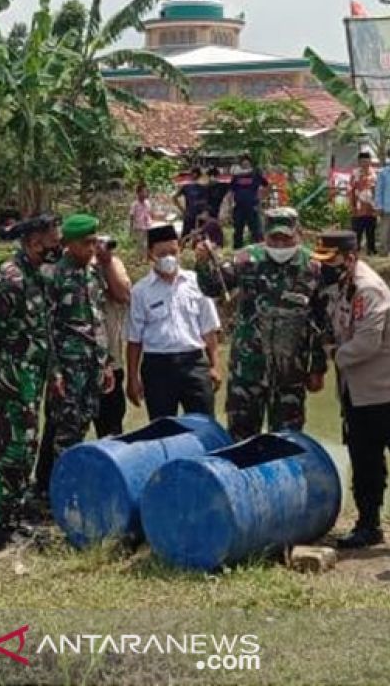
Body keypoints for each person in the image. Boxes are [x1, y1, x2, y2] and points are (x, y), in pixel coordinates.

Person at [0, 214, 60, 552]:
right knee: (1, 453)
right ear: (35, 241)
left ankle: (16, 517)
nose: (58, 246)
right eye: (54, 240)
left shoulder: (37, 276)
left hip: (27, 383)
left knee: (23, 451)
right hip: (4, 385)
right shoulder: (10, 280)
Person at [196, 207, 327, 439]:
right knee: (241, 438)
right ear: (265, 235)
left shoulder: (313, 267)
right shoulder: (246, 260)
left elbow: (319, 321)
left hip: (290, 373)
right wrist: (203, 263)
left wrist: (317, 368)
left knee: (287, 441)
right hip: (248, 370)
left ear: (298, 234)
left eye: (285, 238)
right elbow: (213, 288)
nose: (279, 244)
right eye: (273, 237)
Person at [315, 230, 390, 549]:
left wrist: (332, 353)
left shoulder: (368, 288)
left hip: (382, 390)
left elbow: (367, 343)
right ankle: (368, 524)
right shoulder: (341, 286)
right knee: (364, 459)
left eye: (332, 261)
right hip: (357, 391)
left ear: (351, 256)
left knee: (371, 455)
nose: (327, 267)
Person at [35, 214, 114, 495]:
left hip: (92, 367)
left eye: (94, 242)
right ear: (69, 244)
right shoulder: (53, 275)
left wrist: (107, 364)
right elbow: (46, 328)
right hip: (68, 370)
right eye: (86, 243)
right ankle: (58, 494)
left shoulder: (92, 275)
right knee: (64, 434)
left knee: (82, 427)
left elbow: (98, 320)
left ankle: (71, 488)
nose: (92, 249)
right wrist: (53, 372)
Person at [126, 224, 221, 420]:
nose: (168, 257)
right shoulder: (141, 291)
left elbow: (208, 329)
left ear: (179, 249)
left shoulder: (196, 283)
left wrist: (214, 365)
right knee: (163, 430)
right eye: (162, 253)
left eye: (172, 251)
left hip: (193, 363)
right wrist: (132, 378)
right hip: (158, 367)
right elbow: (134, 340)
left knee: (203, 425)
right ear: (151, 254)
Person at [95, 235, 131, 437]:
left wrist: (106, 264)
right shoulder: (64, 266)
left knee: (112, 430)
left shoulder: (113, 264)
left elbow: (123, 295)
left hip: (110, 361)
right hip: (74, 364)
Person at [229, 155, 269, 249]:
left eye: (247, 162)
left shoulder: (256, 174)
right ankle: (237, 251)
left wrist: (262, 198)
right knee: (238, 231)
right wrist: (230, 205)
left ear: (250, 163)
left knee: (256, 231)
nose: (245, 163)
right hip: (239, 207)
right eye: (243, 162)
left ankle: (260, 250)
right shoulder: (237, 176)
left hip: (253, 206)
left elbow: (267, 185)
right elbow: (231, 191)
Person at [350, 151, 379, 255]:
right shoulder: (355, 173)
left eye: (367, 161)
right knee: (357, 231)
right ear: (359, 162)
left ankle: (371, 250)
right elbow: (351, 190)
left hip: (371, 208)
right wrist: (352, 205)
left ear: (370, 161)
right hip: (358, 208)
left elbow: (377, 191)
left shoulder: (375, 174)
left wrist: (377, 206)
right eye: (362, 161)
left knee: (371, 231)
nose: (365, 164)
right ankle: (355, 251)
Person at [175, 168, 210, 239]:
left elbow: (205, 202)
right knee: (185, 236)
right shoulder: (186, 186)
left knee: (200, 236)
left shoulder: (203, 187)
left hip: (198, 215)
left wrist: (205, 212)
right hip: (190, 214)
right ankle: (182, 248)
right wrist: (182, 210)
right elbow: (174, 198)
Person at [129, 184, 153, 255]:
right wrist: (131, 230)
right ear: (138, 193)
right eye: (143, 192)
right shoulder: (134, 205)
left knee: (148, 244)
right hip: (139, 228)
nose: (145, 194)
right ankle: (140, 259)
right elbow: (131, 217)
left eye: (145, 192)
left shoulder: (147, 203)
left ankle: (147, 259)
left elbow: (150, 214)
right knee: (140, 246)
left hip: (148, 226)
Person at [376, 152, 390, 256]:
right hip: (387, 207)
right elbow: (379, 190)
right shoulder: (383, 172)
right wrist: (379, 206)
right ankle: (383, 253)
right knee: (384, 232)